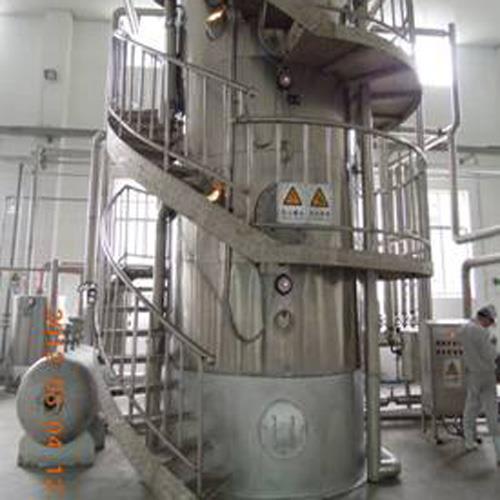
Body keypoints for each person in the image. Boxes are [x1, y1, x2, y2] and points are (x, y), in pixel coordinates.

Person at [460, 304, 500, 464]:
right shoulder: (481, 332)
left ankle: (469, 442)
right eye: (489, 322)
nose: (489, 325)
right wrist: (494, 345)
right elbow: (491, 354)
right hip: (486, 375)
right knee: (492, 413)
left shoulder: (464, 329)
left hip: (472, 375)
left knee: (471, 408)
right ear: (484, 317)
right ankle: (499, 452)